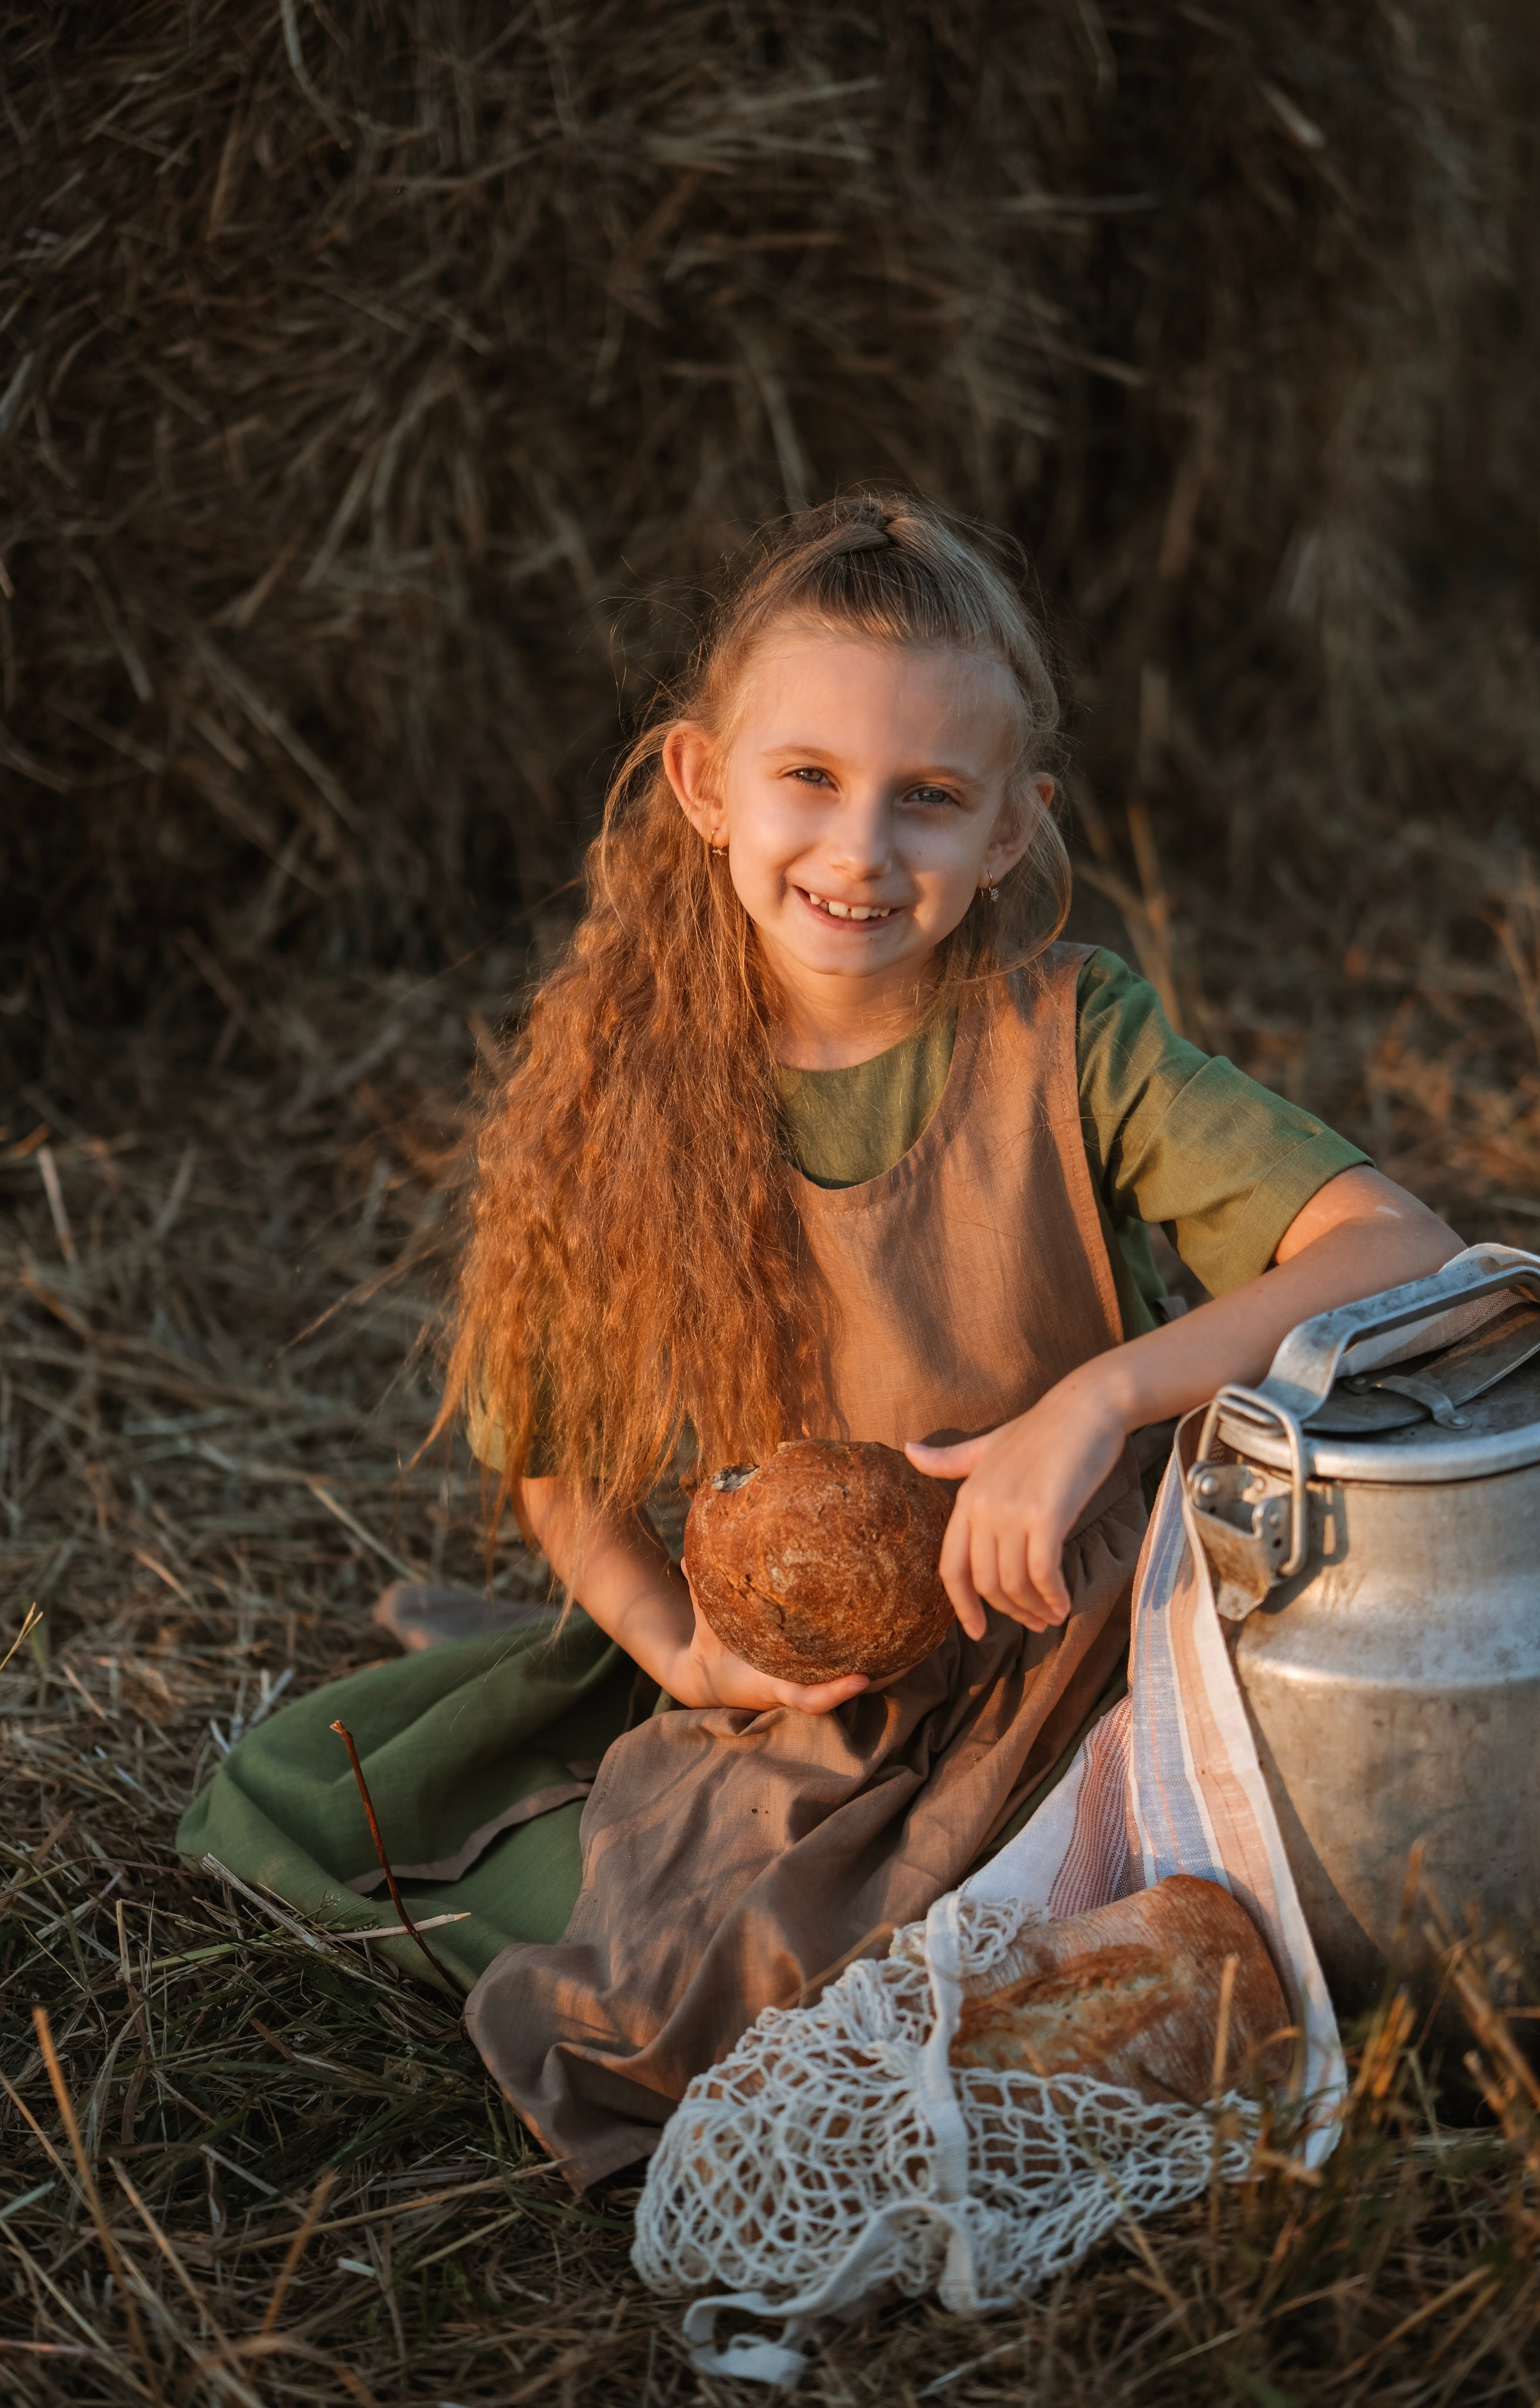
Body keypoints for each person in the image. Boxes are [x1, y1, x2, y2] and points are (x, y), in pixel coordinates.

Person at [180, 495, 1458, 2187]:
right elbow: (562, 1477)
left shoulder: (1072, 1040)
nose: (862, 851)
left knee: (1298, 1875)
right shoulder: (629, 1103)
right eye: (812, 780)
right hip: (824, 1687)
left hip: (1095, 1630)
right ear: (706, 787)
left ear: (1013, 831)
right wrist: (681, 1650)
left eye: (930, 799)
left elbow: (1400, 1247)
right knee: (736, 1986)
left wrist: (1101, 1398)